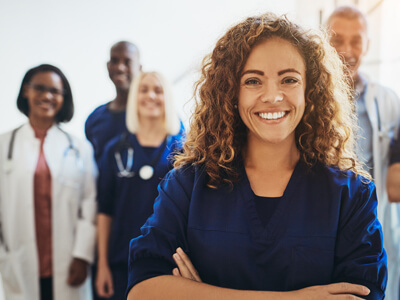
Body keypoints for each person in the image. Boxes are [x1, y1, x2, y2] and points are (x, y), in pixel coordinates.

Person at [126, 13, 387, 299]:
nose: (273, 96)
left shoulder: (350, 195)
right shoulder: (188, 186)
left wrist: (198, 293)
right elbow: (143, 290)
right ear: (230, 92)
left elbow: (362, 294)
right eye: (253, 81)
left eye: (289, 79)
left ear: (310, 90)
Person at [0, 64, 97, 300]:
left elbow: (90, 202)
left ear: (64, 98)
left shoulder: (79, 147)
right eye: (40, 88)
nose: (47, 96)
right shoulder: (3, 145)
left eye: (55, 91)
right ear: (26, 91)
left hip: (69, 261)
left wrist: (82, 255)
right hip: (18, 260)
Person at [326, 7, 400, 300]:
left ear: (367, 44)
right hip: (322, 226)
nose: (347, 50)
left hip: (373, 229)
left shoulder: (388, 100)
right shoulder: (304, 97)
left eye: (356, 41)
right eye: (337, 40)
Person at [94, 71, 183, 299]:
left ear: (168, 98)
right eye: (143, 90)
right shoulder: (115, 150)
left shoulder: (183, 151)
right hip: (120, 261)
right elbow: (105, 210)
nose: (150, 96)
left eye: (158, 90)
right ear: (134, 97)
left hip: (167, 264)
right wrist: (102, 265)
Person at [85, 41, 142, 163]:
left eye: (127, 62)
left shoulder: (156, 115)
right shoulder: (94, 119)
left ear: (140, 68)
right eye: (114, 61)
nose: (120, 67)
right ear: (108, 66)